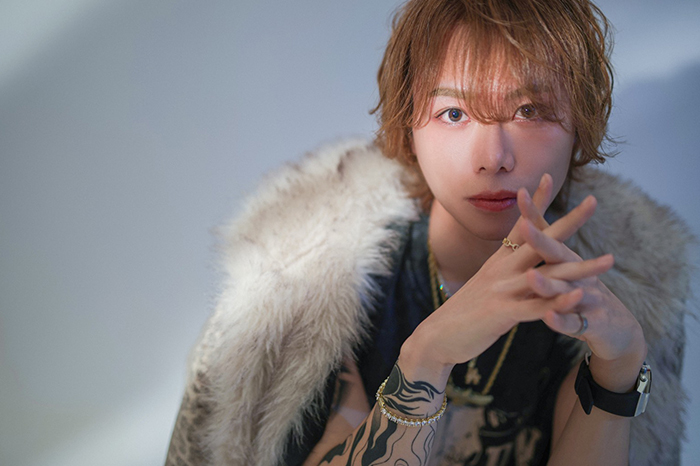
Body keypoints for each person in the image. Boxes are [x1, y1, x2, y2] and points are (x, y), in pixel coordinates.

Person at [165, 0, 693, 465]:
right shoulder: (322, 283)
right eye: (454, 113)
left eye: (529, 111)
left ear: (580, 122)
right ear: (408, 126)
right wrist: (427, 357)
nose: (493, 158)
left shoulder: (610, 293)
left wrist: (619, 370)